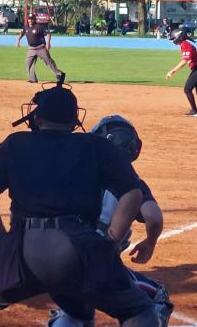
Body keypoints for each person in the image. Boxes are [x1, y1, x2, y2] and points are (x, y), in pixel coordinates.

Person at [0, 81, 159, 327]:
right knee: (140, 311)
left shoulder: (15, 143)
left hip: (25, 248)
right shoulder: (97, 146)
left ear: (37, 118)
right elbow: (132, 194)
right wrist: (110, 241)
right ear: (75, 121)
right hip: (80, 248)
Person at [48, 115, 174, 327]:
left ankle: (66, 318)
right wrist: (149, 242)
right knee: (156, 298)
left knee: (74, 309)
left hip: (56, 261)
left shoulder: (72, 175)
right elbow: (154, 217)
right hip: (102, 263)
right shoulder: (132, 183)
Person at [16, 13, 63, 83]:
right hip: (31, 48)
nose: (30, 20)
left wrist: (48, 43)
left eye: (32, 19)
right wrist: (18, 40)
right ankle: (33, 79)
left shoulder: (39, 27)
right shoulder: (26, 27)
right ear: (28, 19)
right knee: (28, 63)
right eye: (29, 19)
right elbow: (22, 33)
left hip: (41, 48)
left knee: (49, 62)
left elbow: (48, 34)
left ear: (34, 19)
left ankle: (59, 74)